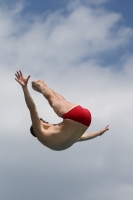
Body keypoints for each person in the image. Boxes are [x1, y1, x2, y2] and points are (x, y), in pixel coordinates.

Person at [15, 70, 109, 151]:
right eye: (42, 121)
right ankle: (41, 85)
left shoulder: (54, 138)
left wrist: (98, 133)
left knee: (60, 102)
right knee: (53, 101)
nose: (46, 122)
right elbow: (32, 109)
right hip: (76, 116)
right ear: (35, 128)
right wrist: (24, 87)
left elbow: (81, 137)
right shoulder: (39, 132)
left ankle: (45, 88)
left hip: (86, 120)